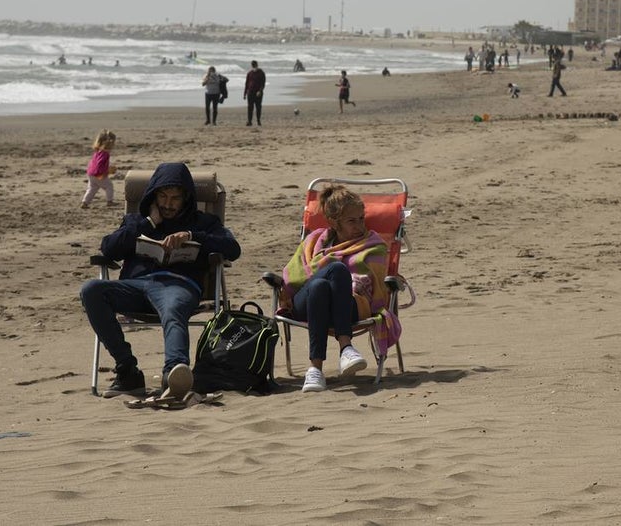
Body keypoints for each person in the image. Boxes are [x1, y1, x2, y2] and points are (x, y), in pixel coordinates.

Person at [80, 162, 242, 397]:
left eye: (175, 198)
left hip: (178, 285)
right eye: (163, 196)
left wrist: (191, 236)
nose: (167, 204)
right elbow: (109, 249)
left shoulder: (203, 223)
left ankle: (174, 373)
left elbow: (233, 249)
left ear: (186, 198)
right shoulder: (137, 221)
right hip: (136, 287)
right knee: (91, 290)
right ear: (153, 195)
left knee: (173, 308)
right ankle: (128, 372)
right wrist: (149, 224)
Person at [278, 184, 400, 393]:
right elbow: (295, 276)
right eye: (351, 221)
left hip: (352, 305)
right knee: (332, 270)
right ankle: (346, 347)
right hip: (304, 304)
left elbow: (376, 283)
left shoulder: (373, 244)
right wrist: (329, 265)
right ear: (334, 223)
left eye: (361, 218)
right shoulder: (314, 240)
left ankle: (315, 369)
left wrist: (351, 282)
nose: (359, 225)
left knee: (320, 285)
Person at [80, 129, 117, 209]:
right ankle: (109, 201)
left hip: (91, 173)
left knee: (92, 188)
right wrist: (106, 171)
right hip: (98, 174)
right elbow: (99, 164)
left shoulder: (98, 152)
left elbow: (95, 163)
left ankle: (85, 202)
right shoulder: (105, 154)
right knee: (109, 186)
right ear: (108, 143)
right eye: (113, 144)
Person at [244, 60, 266, 126]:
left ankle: (258, 121)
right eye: (253, 65)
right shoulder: (249, 73)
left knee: (258, 107)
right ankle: (249, 121)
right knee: (250, 107)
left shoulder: (261, 73)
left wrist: (260, 91)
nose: (254, 66)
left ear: (257, 65)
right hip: (250, 92)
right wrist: (245, 93)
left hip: (258, 93)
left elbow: (263, 83)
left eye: (254, 65)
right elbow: (246, 84)